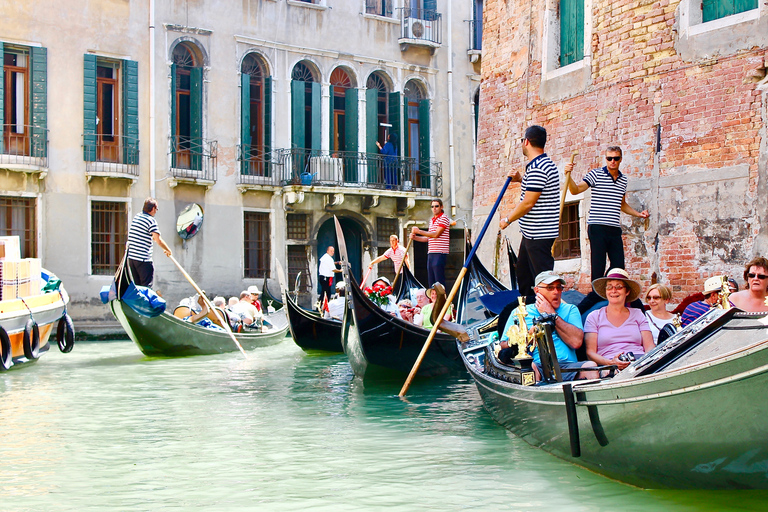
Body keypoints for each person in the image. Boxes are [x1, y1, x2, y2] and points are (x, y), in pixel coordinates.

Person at [564, 147, 649, 314]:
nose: (612, 161)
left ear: (621, 159)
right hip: (597, 227)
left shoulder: (623, 180)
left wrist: (638, 214)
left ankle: (619, 296)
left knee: (619, 267)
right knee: (599, 269)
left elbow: (621, 204)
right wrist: (569, 175)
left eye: (616, 158)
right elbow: (575, 190)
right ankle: (592, 300)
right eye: (609, 158)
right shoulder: (595, 174)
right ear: (606, 158)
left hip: (614, 228)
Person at [499, 271, 598, 381]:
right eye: (550, 288)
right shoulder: (519, 312)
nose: (556, 292)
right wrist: (525, 338)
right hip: (536, 365)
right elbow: (503, 344)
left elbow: (576, 342)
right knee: (529, 369)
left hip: (568, 366)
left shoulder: (570, 310)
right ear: (537, 290)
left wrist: (552, 315)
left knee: (591, 367)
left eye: (559, 287)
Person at [498, 125, 560, 300]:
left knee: (543, 281)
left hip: (539, 234)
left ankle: (549, 316)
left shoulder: (538, 167)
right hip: (531, 234)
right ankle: (528, 313)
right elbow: (538, 188)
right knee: (525, 278)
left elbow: (528, 203)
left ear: (526, 142)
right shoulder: (540, 165)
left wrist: (507, 219)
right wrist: (521, 179)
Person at [584, 269, 654, 372]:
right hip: (608, 366)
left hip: (638, 363)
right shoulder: (594, 317)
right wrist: (611, 363)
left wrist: (643, 363)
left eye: (619, 287)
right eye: (609, 287)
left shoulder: (638, 314)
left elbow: (650, 346)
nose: (613, 291)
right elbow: (590, 353)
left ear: (627, 291)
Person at [122, 197, 172, 291]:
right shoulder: (151, 220)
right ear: (153, 209)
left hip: (132, 259)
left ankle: (139, 305)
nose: (156, 211)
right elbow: (158, 240)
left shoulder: (137, 217)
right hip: (143, 260)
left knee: (138, 288)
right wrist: (168, 250)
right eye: (156, 209)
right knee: (146, 289)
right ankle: (146, 306)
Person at [410, 198, 450, 288]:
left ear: (441, 207)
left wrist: (419, 231)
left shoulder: (444, 218)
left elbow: (436, 234)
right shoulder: (431, 220)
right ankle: (434, 300)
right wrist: (415, 237)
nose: (434, 208)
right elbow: (429, 238)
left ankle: (443, 301)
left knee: (439, 281)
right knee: (431, 281)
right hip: (431, 253)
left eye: (436, 206)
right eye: (432, 207)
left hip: (440, 253)